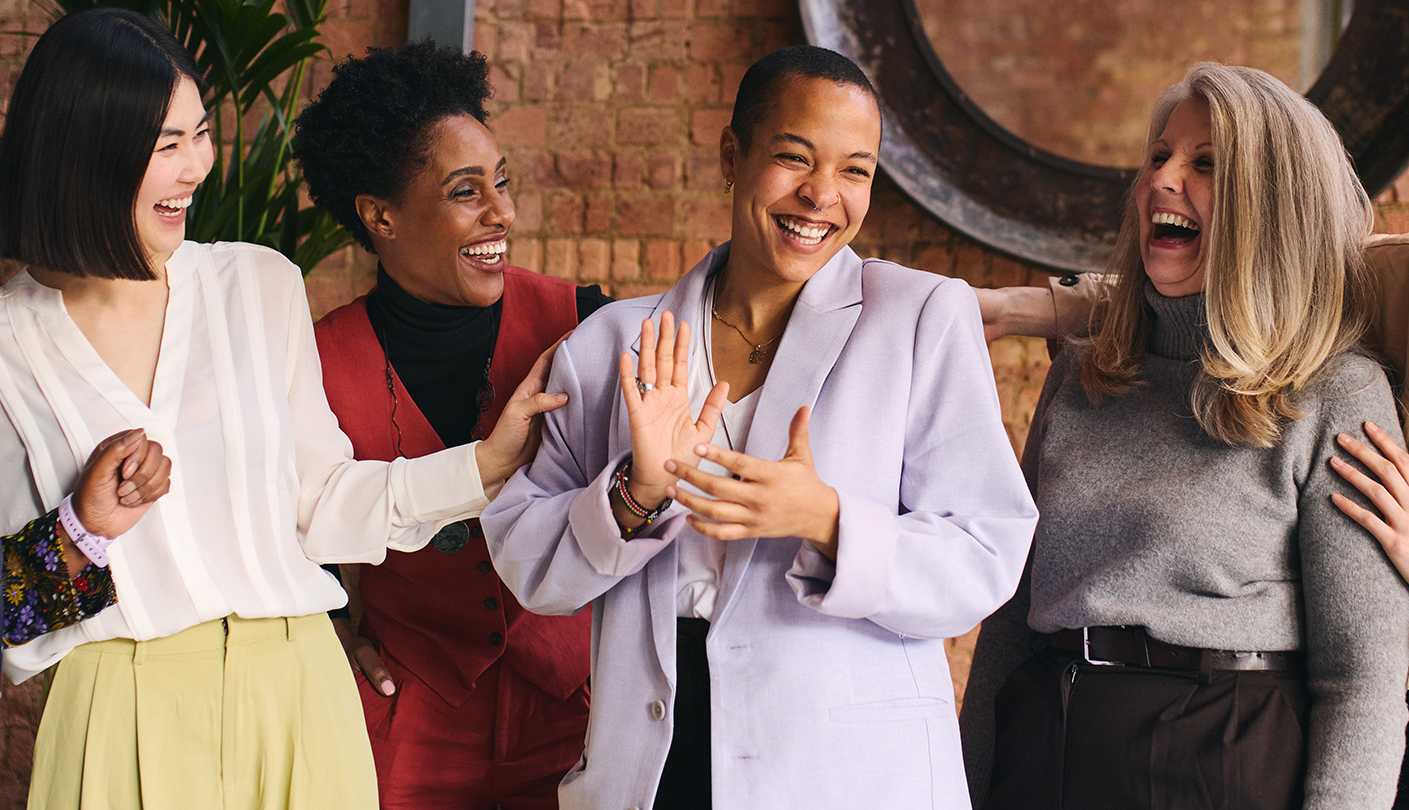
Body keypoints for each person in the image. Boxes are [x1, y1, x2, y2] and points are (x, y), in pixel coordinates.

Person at [0, 9, 561, 808]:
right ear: (85, 152)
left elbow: (319, 506)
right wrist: (84, 530)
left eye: (200, 136)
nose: (196, 169)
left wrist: (485, 467)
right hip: (119, 706)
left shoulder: (257, 284)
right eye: (165, 146)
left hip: (298, 692)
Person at [481, 45, 1038, 810]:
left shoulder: (919, 318)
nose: (821, 196)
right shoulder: (614, 341)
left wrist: (826, 520)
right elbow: (525, 560)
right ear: (731, 155)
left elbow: (985, 552)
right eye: (793, 157)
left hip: (846, 771)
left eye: (855, 171)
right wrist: (635, 494)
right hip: (654, 760)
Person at [959, 62, 1409, 810]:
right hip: (1044, 750)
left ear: (1271, 206)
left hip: (1223, 760)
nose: (1162, 179)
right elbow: (1008, 627)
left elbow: (1361, 682)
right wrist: (960, 787)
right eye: (1159, 155)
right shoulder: (1082, 373)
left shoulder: (1337, 391)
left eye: (1205, 164)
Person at [292, 42, 610, 809]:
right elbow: (288, 533)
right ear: (381, 216)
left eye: (500, 183)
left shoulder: (582, 321)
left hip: (576, 714)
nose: (502, 212)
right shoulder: (317, 357)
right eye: (467, 191)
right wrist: (330, 631)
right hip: (407, 718)